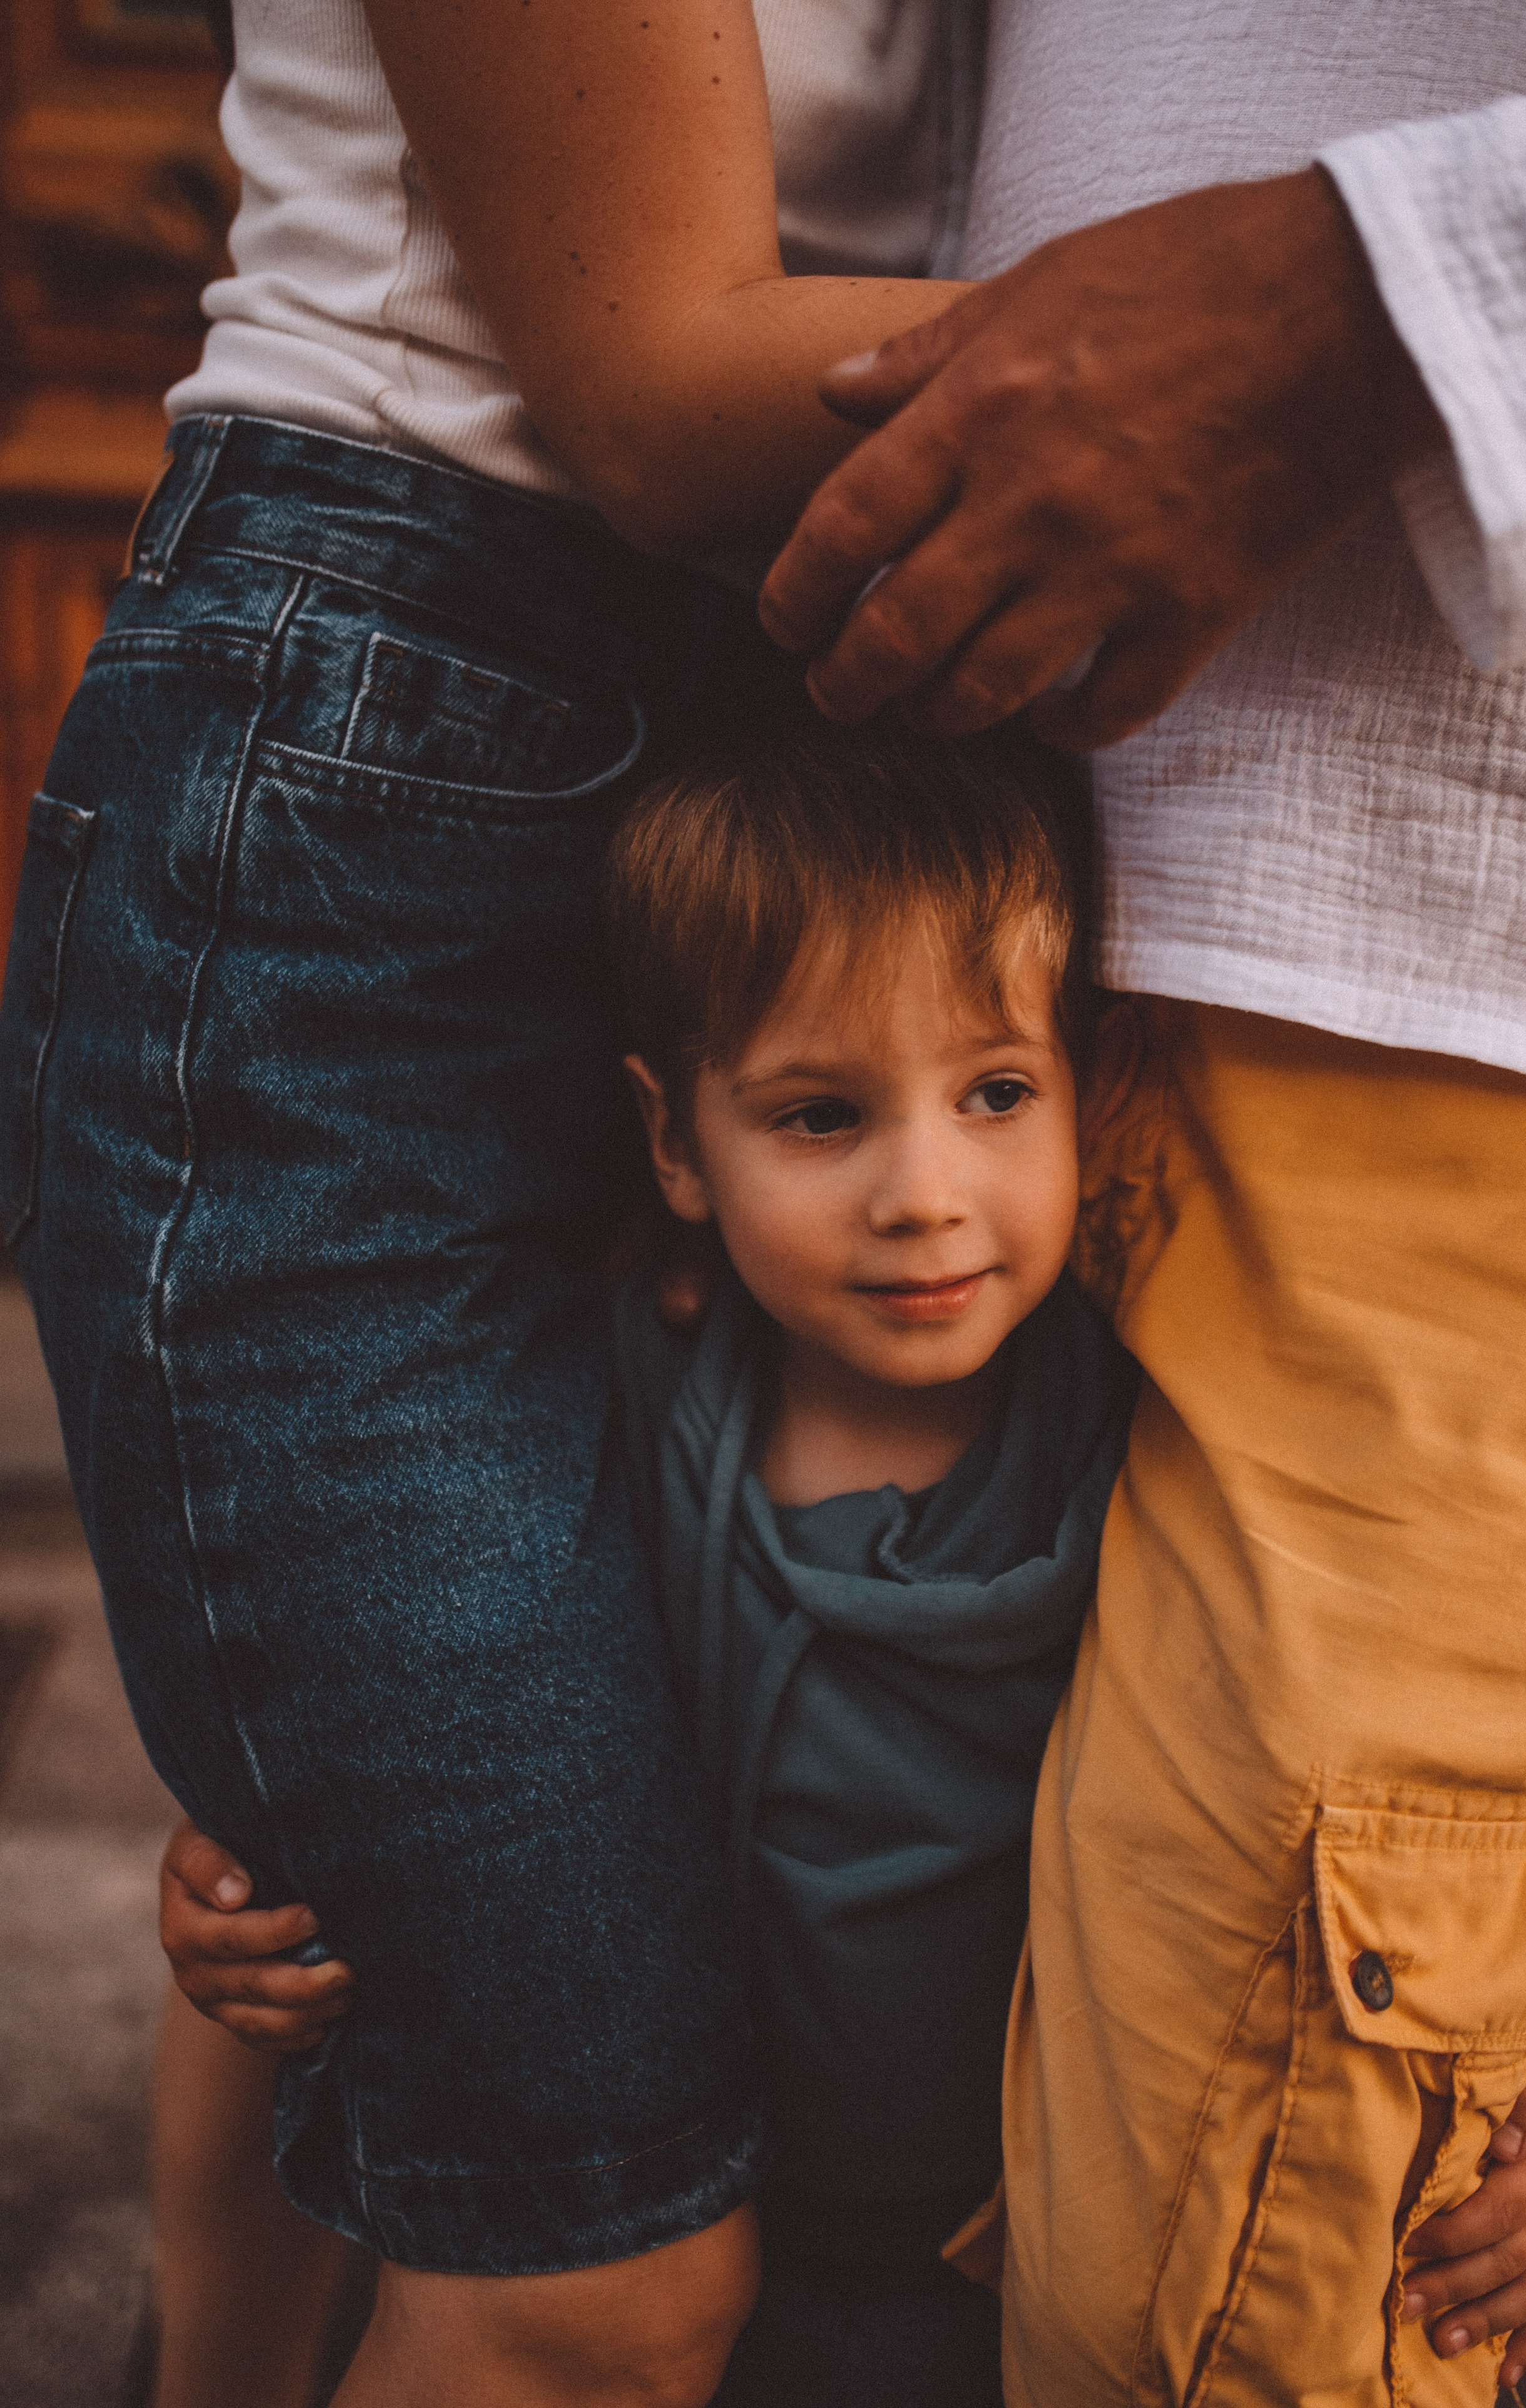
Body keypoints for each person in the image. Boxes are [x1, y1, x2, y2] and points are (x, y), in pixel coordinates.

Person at [153, 704, 1526, 2406]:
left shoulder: (1157, 1426)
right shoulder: (615, 1409)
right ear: (678, 1144)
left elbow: (1373, 1795)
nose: (924, 1190)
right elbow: (439, 1744)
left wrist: (1503, 2072)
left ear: (1086, 1092)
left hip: (1024, 2275)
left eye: (994, 1094)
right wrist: (248, 1900)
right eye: (821, 1116)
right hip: (713, 2261)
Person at [0, 4, 997, 2404]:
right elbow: (650, 383)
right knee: (596, 2275)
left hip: (816, 770)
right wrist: (1398, 302)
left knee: (408, 1966)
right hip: (387, 754)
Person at [757, 9, 1526, 2404]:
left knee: (1202, 2325)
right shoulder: (794, 1226)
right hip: (960, 881)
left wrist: (1396, 298)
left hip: (1446, 975)